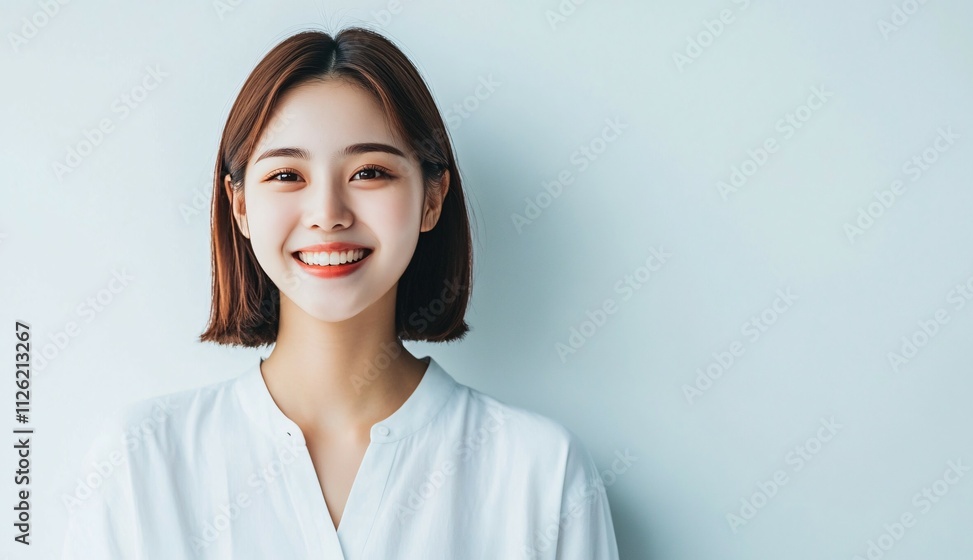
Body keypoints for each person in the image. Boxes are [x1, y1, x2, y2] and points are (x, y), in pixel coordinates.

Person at [60, 26, 620, 559]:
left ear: (432, 198)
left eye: (370, 172)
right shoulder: (140, 463)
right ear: (239, 206)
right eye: (286, 176)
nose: (328, 215)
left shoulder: (541, 474)